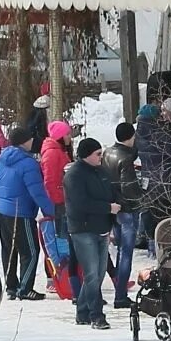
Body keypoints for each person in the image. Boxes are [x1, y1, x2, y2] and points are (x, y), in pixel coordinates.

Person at [60, 138, 119, 328]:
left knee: (98, 274)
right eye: (97, 154)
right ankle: (96, 315)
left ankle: (83, 312)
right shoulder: (74, 175)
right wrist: (108, 208)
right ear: (87, 155)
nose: (101, 157)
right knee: (92, 273)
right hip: (83, 229)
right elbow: (80, 203)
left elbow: (111, 191)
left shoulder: (101, 171)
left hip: (101, 227)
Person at [0, 125, 53, 301]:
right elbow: (37, 192)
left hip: (2, 210)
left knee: (9, 249)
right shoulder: (29, 164)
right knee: (31, 251)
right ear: (25, 141)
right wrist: (50, 211)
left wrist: (3, 201)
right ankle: (25, 288)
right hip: (21, 212)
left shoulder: (1, 158)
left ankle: (11, 286)